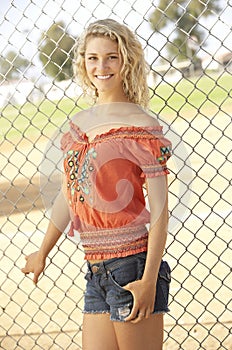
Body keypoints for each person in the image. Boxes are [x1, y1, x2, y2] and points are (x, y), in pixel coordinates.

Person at [22, 19, 172, 350]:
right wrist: (42, 251)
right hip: (95, 270)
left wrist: (148, 280)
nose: (100, 67)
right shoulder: (79, 125)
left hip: (133, 264)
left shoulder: (140, 124)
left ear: (127, 61)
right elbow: (67, 195)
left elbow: (161, 211)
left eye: (111, 57)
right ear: (83, 62)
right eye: (92, 58)